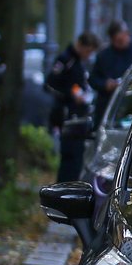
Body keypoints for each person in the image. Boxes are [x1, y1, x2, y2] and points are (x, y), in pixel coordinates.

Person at [44, 31, 102, 182]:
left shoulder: (77, 62)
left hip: (77, 116)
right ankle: (64, 187)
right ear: (82, 46)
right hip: (67, 116)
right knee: (70, 157)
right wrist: (71, 95)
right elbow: (50, 84)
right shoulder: (66, 60)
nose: (89, 56)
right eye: (89, 51)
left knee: (76, 158)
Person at [87, 19, 132, 127]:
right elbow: (93, 79)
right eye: (117, 41)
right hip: (108, 105)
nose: (120, 43)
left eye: (122, 39)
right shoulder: (104, 56)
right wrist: (105, 84)